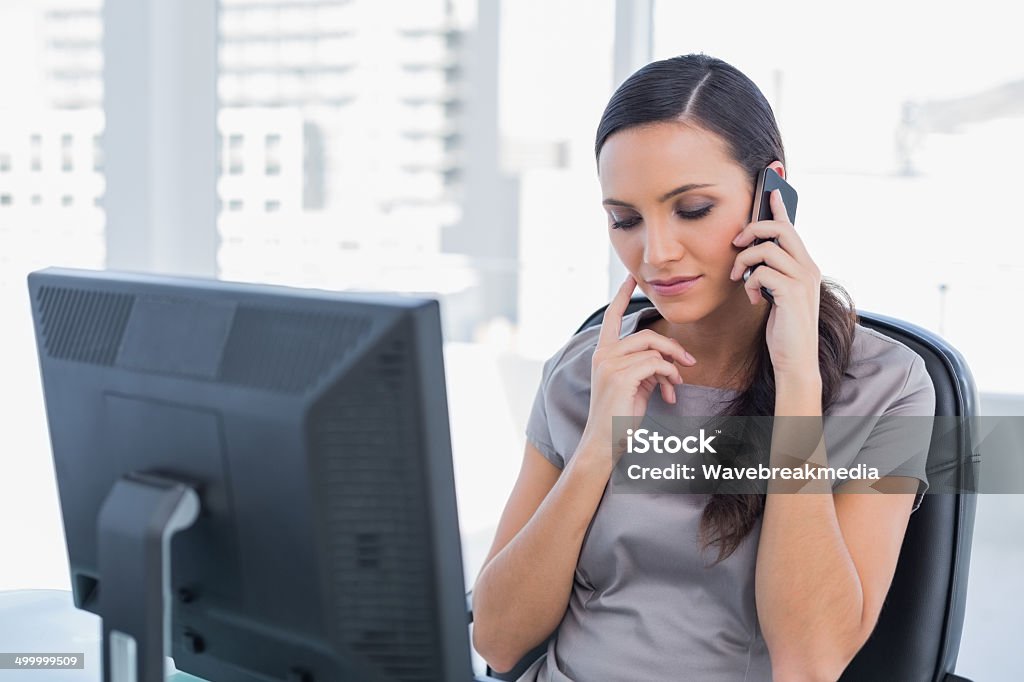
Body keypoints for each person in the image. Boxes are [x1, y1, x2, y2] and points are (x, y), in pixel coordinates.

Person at [470, 53, 934, 681]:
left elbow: (810, 663)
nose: (656, 254)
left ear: (771, 194)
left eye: (692, 209)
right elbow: (496, 642)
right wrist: (597, 451)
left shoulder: (886, 388)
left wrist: (797, 384)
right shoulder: (587, 372)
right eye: (625, 220)